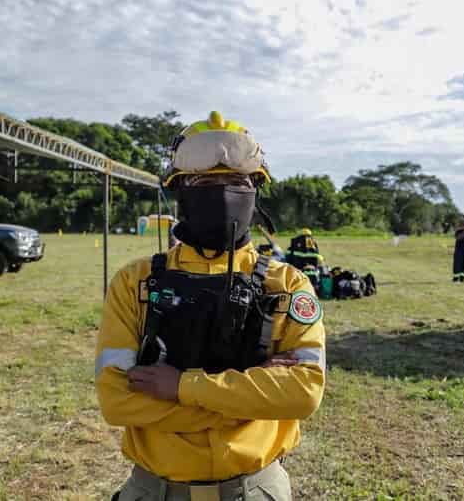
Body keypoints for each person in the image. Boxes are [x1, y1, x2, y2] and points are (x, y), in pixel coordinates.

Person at [95, 111, 326, 501]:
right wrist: (252, 403)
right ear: (181, 191)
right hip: (156, 491)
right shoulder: (134, 282)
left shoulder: (287, 284)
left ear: (255, 189)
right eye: (204, 181)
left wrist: (181, 386)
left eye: (235, 181)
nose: (221, 193)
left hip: (256, 489)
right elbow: (117, 402)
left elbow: (303, 394)